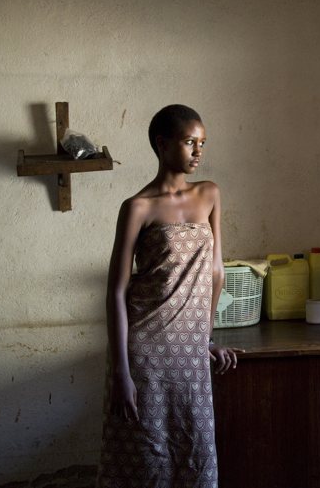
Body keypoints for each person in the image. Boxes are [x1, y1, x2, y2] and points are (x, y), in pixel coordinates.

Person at [96, 104, 238, 488]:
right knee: (146, 451)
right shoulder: (137, 208)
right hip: (146, 349)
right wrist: (122, 372)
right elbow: (117, 290)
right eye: (190, 142)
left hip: (189, 350)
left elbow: (216, 272)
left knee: (197, 450)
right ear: (162, 144)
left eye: (202, 143)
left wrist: (206, 337)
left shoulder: (209, 194)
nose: (198, 151)